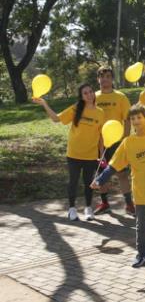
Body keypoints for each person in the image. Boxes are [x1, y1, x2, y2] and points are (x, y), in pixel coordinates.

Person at [91, 104, 145, 267]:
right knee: (141, 226)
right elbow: (113, 165)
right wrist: (100, 180)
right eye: (132, 118)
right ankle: (142, 254)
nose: (136, 121)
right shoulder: (128, 142)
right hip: (141, 192)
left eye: (139, 117)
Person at [34, 84, 104, 221]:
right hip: (74, 154)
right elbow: (56, 119)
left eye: (91, 92)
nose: (89, 95)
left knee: (88, 182)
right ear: (81, 96)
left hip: (90, 154)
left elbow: (101, 135)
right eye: (85, 93)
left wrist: (101, 155)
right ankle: (72, 209)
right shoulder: (76, 108)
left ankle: (88, 208)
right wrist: (44, 103)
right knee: (73, 181)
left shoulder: (100, 112)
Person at [92, 66, 135, 216]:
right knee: (102, 173)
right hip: (99, 143)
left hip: (117, 142)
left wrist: (126, 139)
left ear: (112, 79)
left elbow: (127, 119)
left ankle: (129, 204)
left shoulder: (121, 97)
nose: (105, 79)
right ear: (98, 79)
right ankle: (105, 204)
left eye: (108, 76)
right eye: (102, 77)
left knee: (122, 174)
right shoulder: (93, 97)